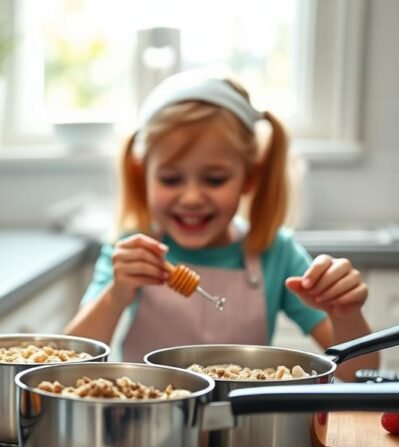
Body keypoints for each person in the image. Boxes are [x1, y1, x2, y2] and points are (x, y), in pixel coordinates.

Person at [65, 71, 376, 379]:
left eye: (215, 179)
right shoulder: (132, 251)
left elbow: (357, 373)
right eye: (171, 179)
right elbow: (70, 363)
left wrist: (344, 315)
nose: (191, 198)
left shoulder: (276, 254)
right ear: (141, 174)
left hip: (247, 427)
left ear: (249, 178)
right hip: (146, 426)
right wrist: (115, 295)